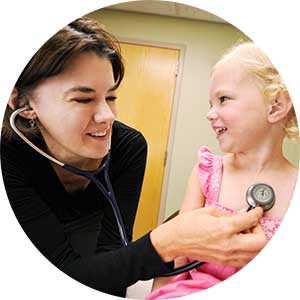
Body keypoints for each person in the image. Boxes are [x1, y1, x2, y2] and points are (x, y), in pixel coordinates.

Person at [0, 18, 267, 298]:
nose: (108, 116)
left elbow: (115, 266)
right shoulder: (8, 157)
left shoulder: (128, 147)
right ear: (24, 104)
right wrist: (165, 242)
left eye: (111, 96)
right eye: (83, 99)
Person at [147, 41, 299, 300]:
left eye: (223, 99)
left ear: (275, 107)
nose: (209, 114)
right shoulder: (206, 174)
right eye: (210, 103)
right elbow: (177, 257)